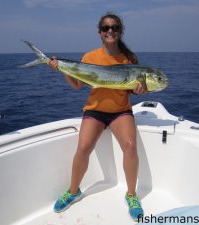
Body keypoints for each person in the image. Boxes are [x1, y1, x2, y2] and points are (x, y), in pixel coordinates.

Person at [48, 12, 147, 221]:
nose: (110, 31)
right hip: (95, 110)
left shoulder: (130, 59)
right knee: (83, 147)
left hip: (121, 111)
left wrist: (141, 90)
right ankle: (74, 191)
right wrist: (62, 69)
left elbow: (132, 90)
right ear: (100, 32)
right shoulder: (89, 58)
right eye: (105, 28)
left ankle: (131, 195)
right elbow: (76, 85)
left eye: (114, 27)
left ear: (120, 31)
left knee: (130, 145)